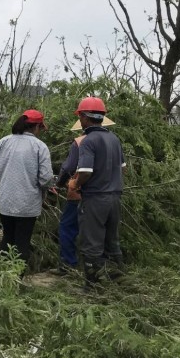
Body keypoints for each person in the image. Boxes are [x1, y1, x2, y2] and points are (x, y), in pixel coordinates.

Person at [71, 97, 126, 290]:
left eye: (80, 117)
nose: (80, 121)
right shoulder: (114, 138)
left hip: (95, 198)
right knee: (111, 240)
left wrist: (76, 184)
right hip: (114, 197)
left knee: (91, 243)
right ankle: (120, 282)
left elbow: (85, 171)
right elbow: (123, 168)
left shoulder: (88, 141)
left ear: (85, 117)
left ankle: (91, 287)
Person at [0, 109, 54, 267]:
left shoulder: (4, 142)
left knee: (8, 238)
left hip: (5, 201)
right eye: (41, 129)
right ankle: (16, 280)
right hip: (27, 204)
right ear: (36, 127)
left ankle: (2, 276)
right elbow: (46, 179)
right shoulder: (40, 147)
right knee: (22, 242)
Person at [55, 114, 117, 275]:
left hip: (81, 194)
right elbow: (121, 169)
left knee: (68, 227)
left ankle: (69, 264)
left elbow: (69, 167)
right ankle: (102, 267)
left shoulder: (81, 142)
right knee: (101, 231)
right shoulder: (113, 141)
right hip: (108, 195)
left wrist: (60, 183)